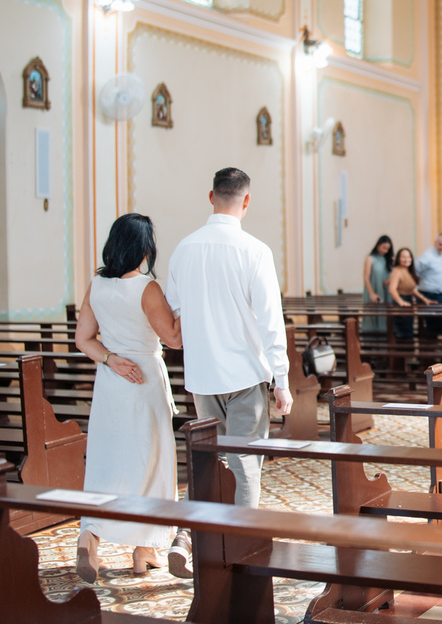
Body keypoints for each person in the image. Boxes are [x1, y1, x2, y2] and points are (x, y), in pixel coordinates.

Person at [165, 168, 292, 579]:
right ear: (247, 201)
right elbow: (271, 321)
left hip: (202, 377)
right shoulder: (254, 250)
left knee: (207, 464)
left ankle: (189, 538)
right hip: (244, 376)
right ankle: (241, 552)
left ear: (211, 197)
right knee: (245, 466)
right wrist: (283, 380)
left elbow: (177, 315)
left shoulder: (183, 249)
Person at [73, 214, 182, 583]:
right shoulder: (146, 288)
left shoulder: (97, 285)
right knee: (150, 461)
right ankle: (144, 549)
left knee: (106, 461)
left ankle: (90, 535)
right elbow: (173, 338)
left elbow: (83, 339)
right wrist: (185, 306)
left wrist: (110, 359)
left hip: (111, 382)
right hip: (144, 382)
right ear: (144, 247)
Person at [386, 248, 432, 340]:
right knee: (403, 334)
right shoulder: (397, 271)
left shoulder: (408, 271)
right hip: (401, 305)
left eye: (409, 257)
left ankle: (408, 353)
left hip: (408, 302)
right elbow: (392, 289)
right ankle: (404, 354)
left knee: (408, 333)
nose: (407, 259)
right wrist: (401, 302)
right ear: (398, 259)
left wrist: (424, 299)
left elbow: (412, 290)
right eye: (403, 257)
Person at [415, 234, 442, 336]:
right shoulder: (426, 256)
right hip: (428, 294)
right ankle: (430, 348)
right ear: (435, 243)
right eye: (440, 244)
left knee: (440, 324)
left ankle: (436, 348)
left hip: (440, 294)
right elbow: (415, 272)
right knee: (433, 325)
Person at [362, 235, 393, 333]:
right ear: (378, 245)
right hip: (374, 290)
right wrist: (372, 293)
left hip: (386, 292)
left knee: (384, 316)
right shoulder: (370, 258)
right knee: (373, 316)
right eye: (384, 248)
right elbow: (366, 277)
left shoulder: (388, 259)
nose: (386, 251)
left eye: (388, 249)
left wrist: (388, 280)